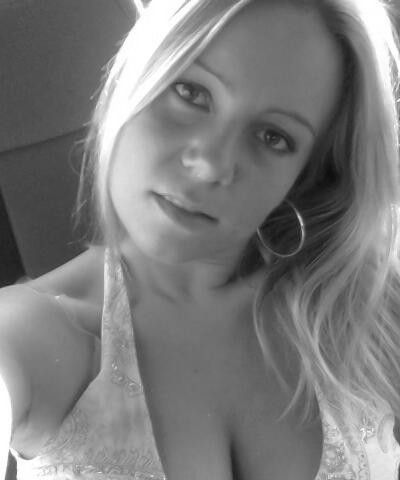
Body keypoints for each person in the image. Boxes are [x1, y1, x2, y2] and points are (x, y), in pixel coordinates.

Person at [1, 0, 400, 479]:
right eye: (192, 93)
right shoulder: (29, 337)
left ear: (307, 174)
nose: (211, 163)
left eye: (273, 137)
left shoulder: (369, 308)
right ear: (139, 73)